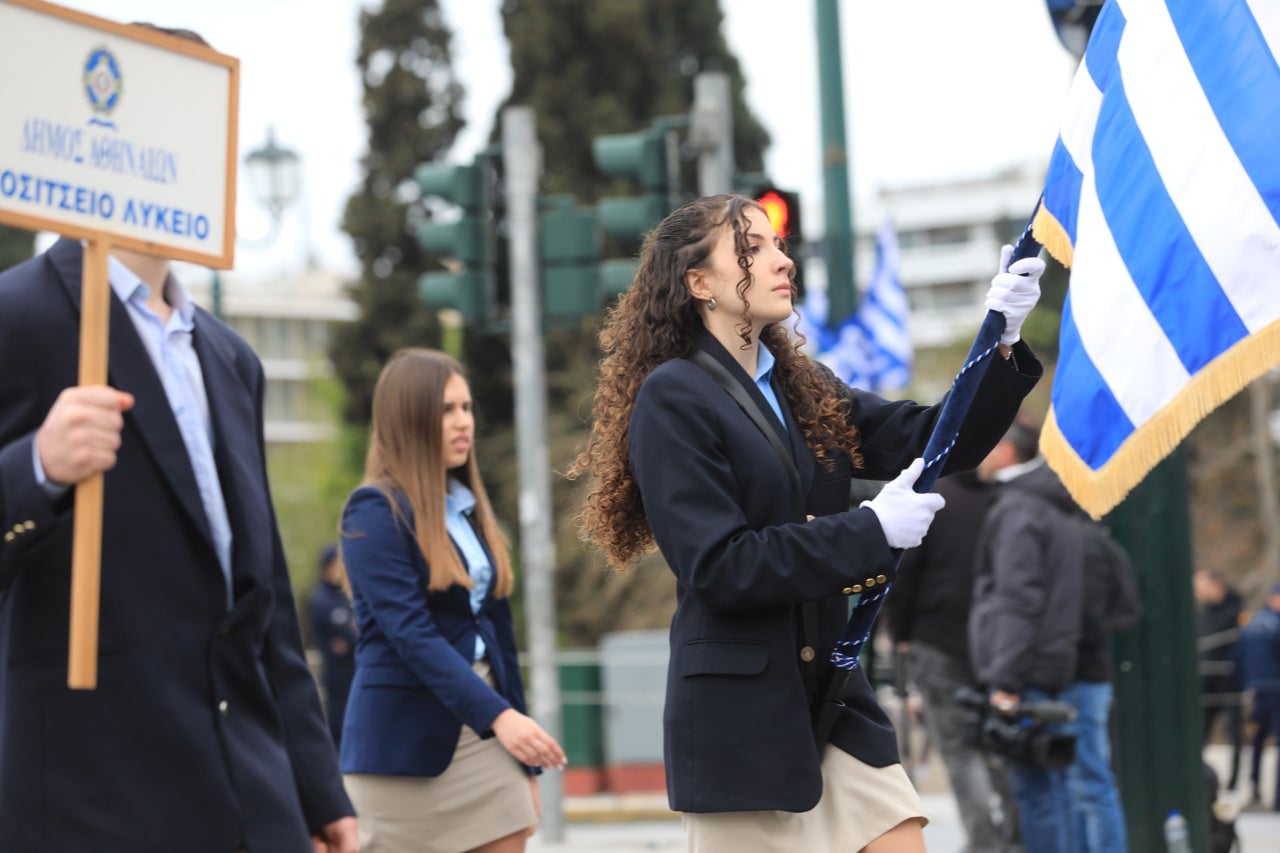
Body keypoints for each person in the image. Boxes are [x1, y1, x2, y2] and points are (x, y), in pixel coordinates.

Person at [571, 193, 1043, 853]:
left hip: (834, 695)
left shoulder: (802, 384)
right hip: (743, 719)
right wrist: (871, 530)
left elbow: (931, 439)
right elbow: (721, 565)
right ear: (698, 282)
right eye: (752, 248)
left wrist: (1000, 341)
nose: (780, 259)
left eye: (777, 244)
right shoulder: (672, 398)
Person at [0, 240, 356, 841]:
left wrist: (318, 786)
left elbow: (263, 598)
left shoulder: (231, 357)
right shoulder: (17, 314)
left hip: (250, 792)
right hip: (93, 794)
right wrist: (36, 467)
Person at [338, 348, 566, 853]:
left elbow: (498, 635)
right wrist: (500, 718)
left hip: (486, 733)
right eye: (445, 410)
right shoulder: (372, 511)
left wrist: (522, 756)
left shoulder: (466, 510)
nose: (463, 422)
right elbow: (411, 635)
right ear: (408, 418)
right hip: (404, 745)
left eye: (465, 408)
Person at [969, 420, 1129, 853]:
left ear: (1005, 452)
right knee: (1073, 788)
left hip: (1033, 669)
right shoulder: (1060, 508)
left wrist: (1005, 681)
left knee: (1041, 794)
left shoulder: (1018, 509)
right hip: (1062, 665)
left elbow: (1016, 600)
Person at [888, 470, 1020, 852]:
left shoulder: (934, 498)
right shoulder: (999, 498)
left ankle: (984, 844)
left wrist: (900, 633)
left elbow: (904, 570)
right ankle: (1013, 839)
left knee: (960, 752)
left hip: (937, 636)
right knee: (998, 748)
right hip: (993, 642)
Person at [1193, 569, 1245, 792]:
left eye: (1200, 584)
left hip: (1230, 681)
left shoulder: (1236, 610)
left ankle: (1234, 783)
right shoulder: (1204, 612)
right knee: (1200, 732)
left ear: (1215, 584)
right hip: (1206, 682)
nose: (1196, 590)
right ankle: (1199, 779)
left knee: (1235, 734)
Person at [1236, 582, 1280, 811]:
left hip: (1254, 690)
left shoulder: (1251, 622)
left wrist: (1242, 684)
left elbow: (1239, 655)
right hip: (1274, 690)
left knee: (1256, 743)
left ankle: (1253, 791)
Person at [311, 543, 358, 748]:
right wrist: (352, 634)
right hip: (337, 672)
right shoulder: (321, 599)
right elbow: (346, 633)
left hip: (355, 668)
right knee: (339, 722)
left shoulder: (347, 594)